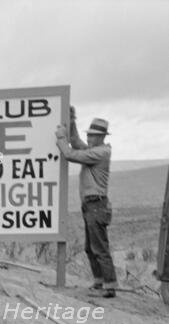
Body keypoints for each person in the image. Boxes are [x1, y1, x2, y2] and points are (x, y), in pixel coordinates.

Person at [55, 108, 118, 298]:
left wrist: (60, 138)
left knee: (99, 247)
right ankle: (100, 282)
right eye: (89, 135)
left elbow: (70, 153)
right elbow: (76, 142)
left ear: (101, 137)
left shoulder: (100, 153)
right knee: (91, 247)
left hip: (96, 205)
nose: (89, 138)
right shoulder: (96, 150)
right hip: (92, 205)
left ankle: (109, 286)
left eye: (93, 136)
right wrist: (72, 121)